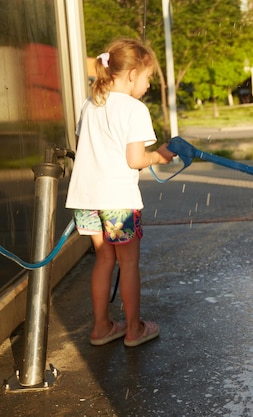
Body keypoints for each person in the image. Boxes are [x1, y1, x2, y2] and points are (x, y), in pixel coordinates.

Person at [66, 38, 175, 347]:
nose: (148, 84)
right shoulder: (134, 109)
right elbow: (135, 160)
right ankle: (133, 329)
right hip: (118, 202)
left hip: (86, 199)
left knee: (103, 259)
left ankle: (101, 327)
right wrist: (160, 156)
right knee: (127, 263)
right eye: (148, 77)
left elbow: (82, 149)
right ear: (131, 75)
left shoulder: (91, 104)